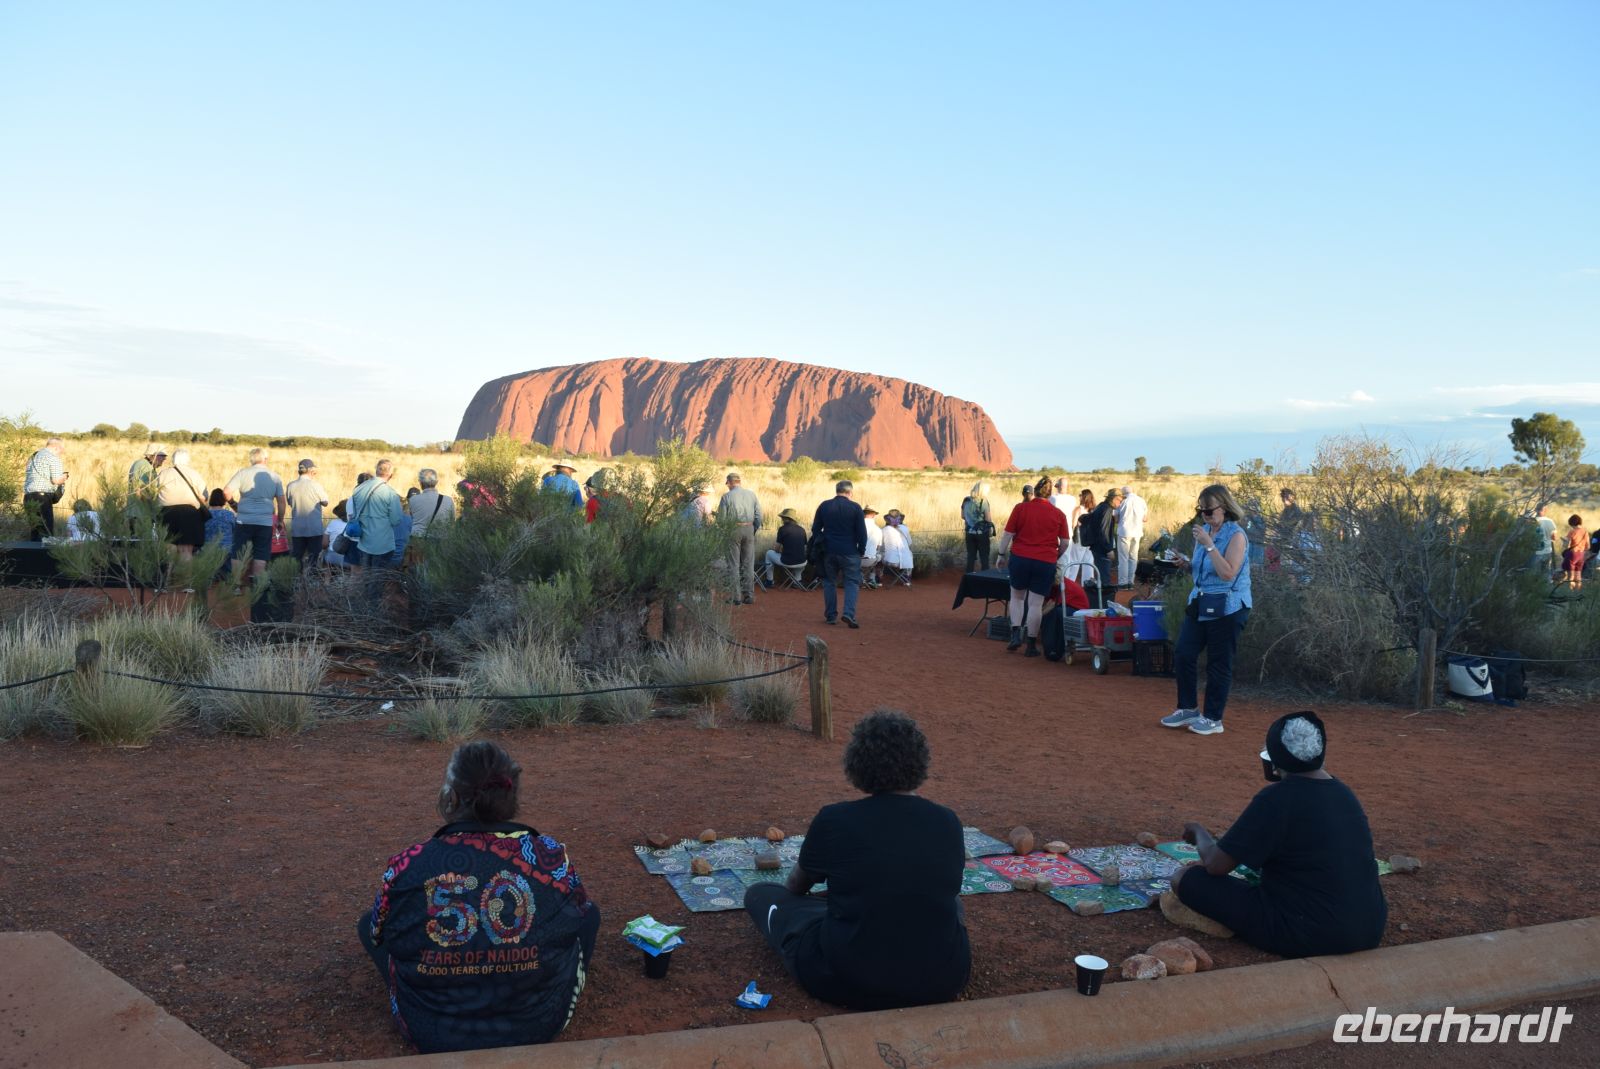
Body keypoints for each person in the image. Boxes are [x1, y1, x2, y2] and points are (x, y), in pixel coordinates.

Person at [359, 740, 600, 1054]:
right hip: (538, 1025)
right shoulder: (550, 857)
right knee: (589, 915)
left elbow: (377, 931)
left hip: (430, 1030)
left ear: (453, 797)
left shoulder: (408, 864)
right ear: (512, 795)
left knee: (368, 925)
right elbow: (580, 911)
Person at [743, 710, 969, 1010]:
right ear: (920, 762)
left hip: (845, 979)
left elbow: (796, 886)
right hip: (943, 979)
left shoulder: (835, 819)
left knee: (761, 895)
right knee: (950, 904)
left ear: (857, 762)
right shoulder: (948, 821)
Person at [1173, 712, 1386, 958]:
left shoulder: (1276, 798)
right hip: (1370, 929)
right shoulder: (1345, 794)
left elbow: (1215, 865)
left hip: (1308, 932)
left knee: (1185, 878)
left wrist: (1199, 832)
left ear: (1274, 760)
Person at [1160, 483, 1253, 736]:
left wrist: (1209, 545)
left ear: (1223, 507)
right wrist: (1187, 565)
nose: (1205, 515)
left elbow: (1227, 572)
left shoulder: (1236, 536)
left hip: (1229, 606)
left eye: (1209, 510)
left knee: (1218, 663)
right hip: (1201, 601)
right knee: (1183, 653)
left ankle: (1213, 718)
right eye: (1200, 510)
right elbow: (1205, 571)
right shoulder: (1206, 532)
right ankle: (1188, 708)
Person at [993, 475, 1071, 657]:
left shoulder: (1020, 508)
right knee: (1035, 604)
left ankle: (1014, 635)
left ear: (1034, 492)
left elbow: (1007, 534)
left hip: (1020, 558)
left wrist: (1001, 554)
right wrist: (1055, 555)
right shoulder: (1059, 514)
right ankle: (1031, 645)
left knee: (1017, 597)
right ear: (1050, 494)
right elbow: (1066, 542)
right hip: (1045, 562)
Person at [222, 447, 287, 582]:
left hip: (244, 519)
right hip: (265, 521)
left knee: (238, 552)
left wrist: (235, 506)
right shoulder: (275, 477)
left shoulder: (242, 473)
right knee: (261, 553)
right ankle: (256, 586)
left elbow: (226, 492)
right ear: (265, 459)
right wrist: (280, 520)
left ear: (251, 460)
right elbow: (281, 502)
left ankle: (235, 585)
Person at [812, 480, 868, 627]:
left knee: (829, 582)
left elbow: (815, 529)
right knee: (851, 583)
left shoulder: (824, 506)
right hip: (850, 551)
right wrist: (861, 550)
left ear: (837, 491)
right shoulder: (855, 508)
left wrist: (822, 542)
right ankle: (848, 613)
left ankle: (831, 616)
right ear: (850, 492)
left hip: (829, 551)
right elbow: (862, 533)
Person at [346, 459, 406, 571]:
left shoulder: (359, 489)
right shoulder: (390, 493)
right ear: (390, 475)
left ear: (376, 471)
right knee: (378, 580)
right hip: (383, 544)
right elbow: (396, 520)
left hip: (363, 542)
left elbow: (353, 513)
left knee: (366, 578)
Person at [155, 448, 211, 560]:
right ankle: (185, 577)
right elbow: (204, 496)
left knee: (168, 548)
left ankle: (168, 575)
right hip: (189, 514)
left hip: (167, 513)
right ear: (187, 459)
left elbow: (155, 492)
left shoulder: (163, 473)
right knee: (186, 550)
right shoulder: (194, 474)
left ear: (173, 459)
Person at [718, 472, 763, 604]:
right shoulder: (751, 494)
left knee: (733, 564)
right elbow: (758, 515)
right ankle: (749, 596)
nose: (727, 486)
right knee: (748, 564)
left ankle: (735, 597)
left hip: (733, 529)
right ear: (739, 481)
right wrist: (753, 529)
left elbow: (721, 520)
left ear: (730, 482)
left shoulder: (726, 497)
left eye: (727, 483)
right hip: (749, 528)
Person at [285, 459, 330, 567]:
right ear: (310, 470)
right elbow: (325, 502)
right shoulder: (316, 485)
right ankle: (311, 579)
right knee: (314, 557)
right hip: (314, 528)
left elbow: (290, 503)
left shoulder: (290, 486)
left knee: (297, 557)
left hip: (297, 528)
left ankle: (296, 579)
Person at [22, 437, 68, 539]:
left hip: (28, 496)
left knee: (35, 531)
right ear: (56, 447)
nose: (62, 452)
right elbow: (56, 480)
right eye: (62, 449)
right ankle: (44, 554)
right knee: (46, 532)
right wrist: (64, 478)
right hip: (42, 497)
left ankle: (33, 553)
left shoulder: (33, 457)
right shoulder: (53, 458)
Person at [1082, 487, 1121, 590]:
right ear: (1114, 499)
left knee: (1102, 576)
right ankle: (1103, 603)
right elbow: (1103, 531)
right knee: (1105, 580)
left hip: (1097, 547)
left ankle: (1100, 600)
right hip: (1102, 549)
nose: (1120, 504)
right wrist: (1109, 549)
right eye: (1120, 501)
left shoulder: (1101, 506)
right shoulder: (1107, 509)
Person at [763, 508, 809, 586]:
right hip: (802, 562)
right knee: (798, 557)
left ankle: (769, 581)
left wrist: (778, 550)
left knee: (769, 553)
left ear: (786, 519)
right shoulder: (802, 529)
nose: (781, 519)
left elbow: (777, 549)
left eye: (782, 518)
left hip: (788, 562)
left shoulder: (782, 529)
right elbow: (803, 548)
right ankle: (797, 581)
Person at [1116, 485, 1148, 586]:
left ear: (1123, 493)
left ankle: (1123, 582)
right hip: (1137, 532)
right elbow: (1145, 519)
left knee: (1123, 558)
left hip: (1124, 532)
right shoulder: (1141, 501)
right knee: (1133, 557)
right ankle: (1131, 581)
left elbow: (1116, 519)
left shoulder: (1122, 501)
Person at [411, 469, 455, 541]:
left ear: (420, 482)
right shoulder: (448, 500)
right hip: (441, 540)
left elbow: (410, 520)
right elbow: (452, 522)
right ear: (436, 482)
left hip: (418, 540)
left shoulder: (413, 500)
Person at [961, 482, 994, 572]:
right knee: (984, 558)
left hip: (969, 533)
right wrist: (990, 531)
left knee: (971, 557)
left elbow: (963, 516)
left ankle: (969, 578)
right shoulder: (984, 501)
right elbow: (988, 519)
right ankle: (985, 579)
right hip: (982, 534)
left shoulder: (966, 500)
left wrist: (970, 520)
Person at [880, 509, 914, 583]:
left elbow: (881, 546)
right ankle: (906, 577)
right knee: (910, 554)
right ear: (900, 519)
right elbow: (910, 544)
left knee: (879, 555)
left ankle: (879, 578)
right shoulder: (905, 528)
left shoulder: (883, 530)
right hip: (906, 562)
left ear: (888, 519)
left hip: (890, 561)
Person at [203, 488, 236, 559]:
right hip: (226, 550)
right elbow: (235, 531)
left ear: (211, 499)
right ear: (224, 500)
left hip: (207, 550)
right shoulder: (229, 515)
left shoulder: (204, 514)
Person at [860, 504, 884, 587]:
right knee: (878, 555)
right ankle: (872, 579)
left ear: (863, 514)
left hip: (855, 559)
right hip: (871, 560)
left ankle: (860, 579)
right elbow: (878, 547)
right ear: (874, 515)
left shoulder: (855, 527)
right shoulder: (878, 529)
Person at [1532, 504, 1558, 576]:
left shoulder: (1531, 521)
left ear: (1536, 510)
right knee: (1546, 573)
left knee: (1533, 574)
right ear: (1545, 510)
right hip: (1547, 551)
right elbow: (1554, 537)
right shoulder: (1550, 521)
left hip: (1535, 552)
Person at [1563, 514, 1588, 590]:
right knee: (1578, 576)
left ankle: (1570, 593)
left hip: (1572, 554)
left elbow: (1567, 545)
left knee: (1570, 576)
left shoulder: (1572, 531)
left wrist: (1564, 541)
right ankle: (1578, 593)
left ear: (1572, 523)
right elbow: (1588, 546)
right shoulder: (1585, 531)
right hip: (1581, 554)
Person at [323, 500, 349, 568]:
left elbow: (324, 544)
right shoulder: (356, 524)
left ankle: (326, 578)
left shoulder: (332, 523)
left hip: (332, 558)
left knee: (326, 555)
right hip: (349, 560)